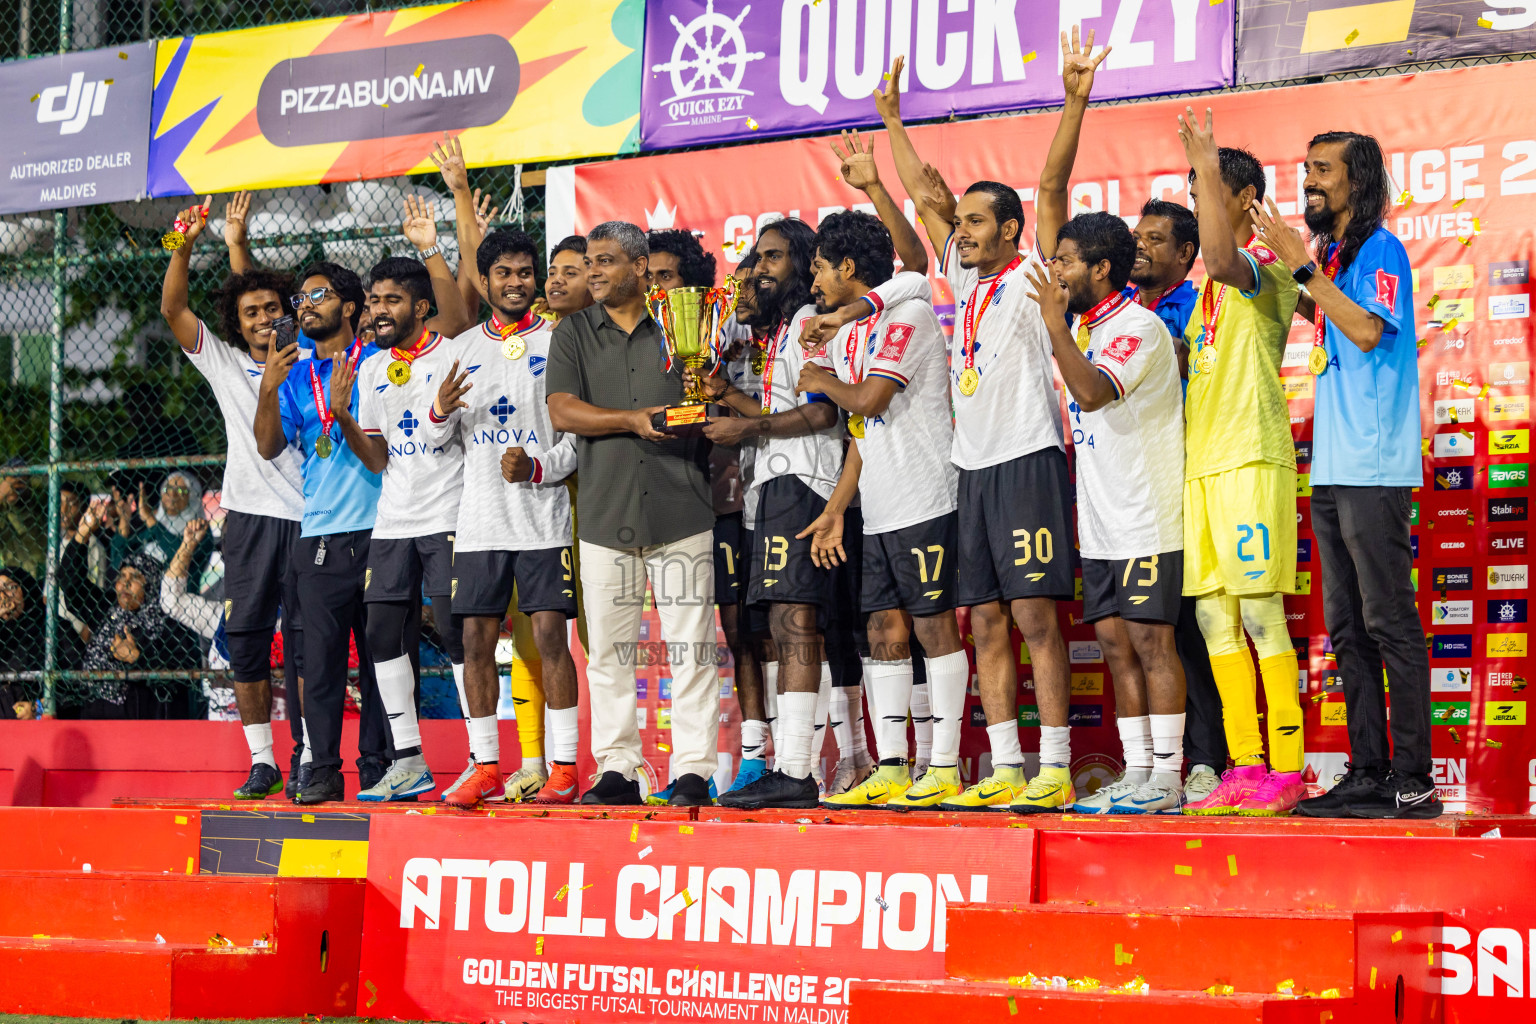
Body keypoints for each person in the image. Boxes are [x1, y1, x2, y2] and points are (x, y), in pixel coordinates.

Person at [876, 40, 1093, 812]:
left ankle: (1056, 765)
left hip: (1029, 456)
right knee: (987, 620)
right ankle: (1004, 768)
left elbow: (1051, 182)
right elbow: (925, 196)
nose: (960, 231)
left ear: (1011, 230)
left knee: (1035, 615)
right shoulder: (964, 277)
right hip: (973, 466)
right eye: (960, 222)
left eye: (976, 221)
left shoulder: (1036, 271)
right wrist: (894, 119)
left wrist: (1072, 101)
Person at [1250, 131, 1439, 819]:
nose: (1309, 182)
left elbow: (1365, 330)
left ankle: (1413, 778)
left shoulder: (1381, 249)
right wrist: (1286, 271)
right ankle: (1366, 772)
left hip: (1375, 466)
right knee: (1350, 629)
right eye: (1305, 170)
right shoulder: (1336, 256)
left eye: (1322, 171)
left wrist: (1303, 272)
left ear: (1358, 180)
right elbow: (1331, 315)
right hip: (1332, 468)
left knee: (1390, 622)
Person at [794, 203, 970, 811]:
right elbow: (863, 439)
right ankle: (893, 766)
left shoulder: (912, 313)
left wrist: (820, 380)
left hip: (927, 495)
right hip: (880, 504)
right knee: (882, 631)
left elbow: (868, 401)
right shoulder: (848, 333)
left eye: (819, 269)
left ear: (848, 267)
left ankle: (942, 765)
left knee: (932, 628)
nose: (813, 284)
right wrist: (838, 508)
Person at [545, 220, 720, 806]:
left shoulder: (682, 323)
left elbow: (707, 402)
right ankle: (619, 767)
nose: (592, 271)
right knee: (609, 654)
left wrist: (706, 396)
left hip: (682, 505)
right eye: (588, 261)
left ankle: (694, 767)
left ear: (640, 268)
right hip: (604, 514)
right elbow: (563, 412)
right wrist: (631, 419)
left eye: (605, 260)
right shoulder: (572, 333)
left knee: (690, 648)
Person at [1027, 212, 1189, 814]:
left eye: (1066, 261)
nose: (1057, 272)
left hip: (1146, 515)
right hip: (1098, 521)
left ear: (1100, 269)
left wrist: (1054, 325)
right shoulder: (1090, 330)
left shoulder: (1138, 327)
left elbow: (1093, 392)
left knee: (1150, 642)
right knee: (1115, 644)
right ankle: (1140, 769)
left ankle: (1169, 777)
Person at [424, 227, 580, 806]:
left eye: (524, 272)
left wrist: (539, 468)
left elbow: (574, 434)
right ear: (485, 281)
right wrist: (439, 410)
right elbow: (441, 438)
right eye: (504, 274)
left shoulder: (561, 341)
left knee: (547, 638)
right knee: (474, 641)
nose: (517, 283)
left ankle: (562, 769)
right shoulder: (463, 347)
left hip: (542, 515)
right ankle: (486, 763)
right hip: (481, 520)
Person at [1176, 109, 1304, 816]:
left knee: (1260, 616)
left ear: (1245, 203)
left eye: (1204, 192)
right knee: (1215, 626)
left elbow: (1224, 255)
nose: (1196, 203)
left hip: (1252, 460)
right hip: (1204, 469)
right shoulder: (1202, 294)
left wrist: (1207, 158)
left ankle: (1287, 766)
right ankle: (1246, 765)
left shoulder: (1266, 268)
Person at [159, 196, 307, 799]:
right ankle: (262, 760)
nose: (264, 318)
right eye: (251, 314)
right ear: (237, 324)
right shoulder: (222, 362)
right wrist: (187, 242)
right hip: (247, 520)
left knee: (304, 644)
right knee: (243, 637)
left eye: (274, 309)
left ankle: (311, 757)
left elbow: (256, 291)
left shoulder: (312, 358)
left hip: (310, 518)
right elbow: (172, 307)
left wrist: (239, 246)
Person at [702, 218, 840, 810]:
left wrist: (746, 425)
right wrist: (728, 395)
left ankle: (797, 771)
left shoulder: (809, 323)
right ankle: (790, 767)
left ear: (804, 264)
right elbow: (780, 406)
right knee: (784, 627)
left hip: (804, 481)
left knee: (795, 625)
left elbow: (823, 414)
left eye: (774, 258)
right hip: (776, 485)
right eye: (758, 258)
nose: (760, 269)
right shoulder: (785, 329)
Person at [343, 234, 471, 803]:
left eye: (390, 300)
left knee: (455, 632)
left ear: (420, 307)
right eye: (373, 300)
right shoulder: (371, 369)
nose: (377, 311)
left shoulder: (454, 353)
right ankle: (409, 761)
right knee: (380, 632)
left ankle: (481, 757)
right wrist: (345, 417)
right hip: (393, 520)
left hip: (448, 512)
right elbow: (376, 457)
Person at [254, 254, 386, 805]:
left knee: (384, 658)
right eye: (301, 299)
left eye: (320, 295)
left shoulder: (379, 358)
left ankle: (380, 766)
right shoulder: (291, 375)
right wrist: (266, 386)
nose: (305, 306)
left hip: (384, 527)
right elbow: (267, 446)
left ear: (350, 307)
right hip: (321, 532)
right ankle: (323, 767)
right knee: (321, 662)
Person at [1125, 198, 1226, 806]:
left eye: (1155, 239)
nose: (1140, 246)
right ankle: (1152, 767)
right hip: (1133, 491)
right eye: (1137, 236)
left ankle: (1208, 761)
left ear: (1187, 254)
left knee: (1191, 630)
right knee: (1142, 633)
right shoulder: (1122, 311)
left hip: (1188, 482)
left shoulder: (1202, 307)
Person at [643, 228, 738, 804]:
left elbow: (742, 408)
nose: (655, 289)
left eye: (667, 279)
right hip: (677, 506)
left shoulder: (714, 336)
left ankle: (773, 759)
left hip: (738, 502)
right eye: (648, 277)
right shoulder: (635, 340)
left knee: (757, 636)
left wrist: (713, 396)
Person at [63, 499, 201, 719]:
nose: (125, 584)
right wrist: (83, 532)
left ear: (153, 585)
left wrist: (139, 659)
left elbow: (181, 673)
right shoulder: (107, 609)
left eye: (136, 577)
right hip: (96, 715)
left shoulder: (169, 621)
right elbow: (71, 585)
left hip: (144, 721)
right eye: (121, 577)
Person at [544, 236, 593, 320]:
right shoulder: (532, 323)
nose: (556, 280)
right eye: (552, 273)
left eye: (570, 273)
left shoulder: (614, 327)